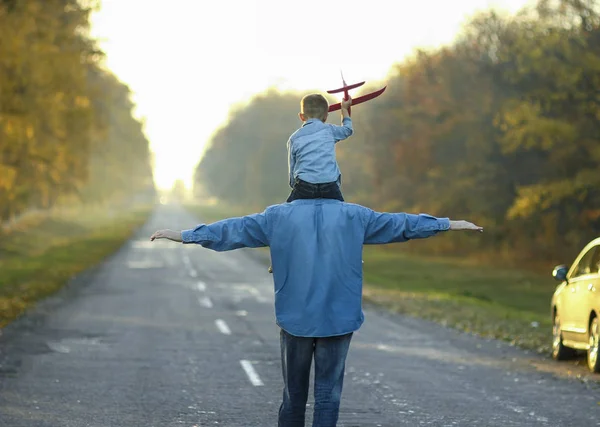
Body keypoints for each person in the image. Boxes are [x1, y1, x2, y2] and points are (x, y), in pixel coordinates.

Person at [150, 199, 483, 427]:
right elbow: (402, 224)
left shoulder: (276, 216)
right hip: (339, 318)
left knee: (293, 397)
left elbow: (231, 230)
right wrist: (446, 224)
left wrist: (185, 236)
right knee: (328, 397)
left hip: (296, 318)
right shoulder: (356, 216)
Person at [268, 92, 353, 273]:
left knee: (286, 221)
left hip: (304, 185)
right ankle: (349, 257)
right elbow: (347, 130)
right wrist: (345, 110)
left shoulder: (294, 138)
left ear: (301, 116)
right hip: (330, 185)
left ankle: (279, 259)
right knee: (343, 222)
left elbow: (292, 170)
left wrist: (296, 187)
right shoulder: (329, 130)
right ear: (326, 115)